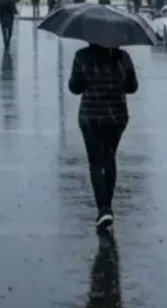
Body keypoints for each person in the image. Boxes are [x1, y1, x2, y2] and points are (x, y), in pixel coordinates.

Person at [67, 43, 139, 228]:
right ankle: (107, 207)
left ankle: (104, 209)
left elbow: (74, 87)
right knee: (109, 158)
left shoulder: (81, 56)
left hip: (91, 117)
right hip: (117, 116)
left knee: (95, 163)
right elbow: (132, 87)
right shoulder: (123, 57)